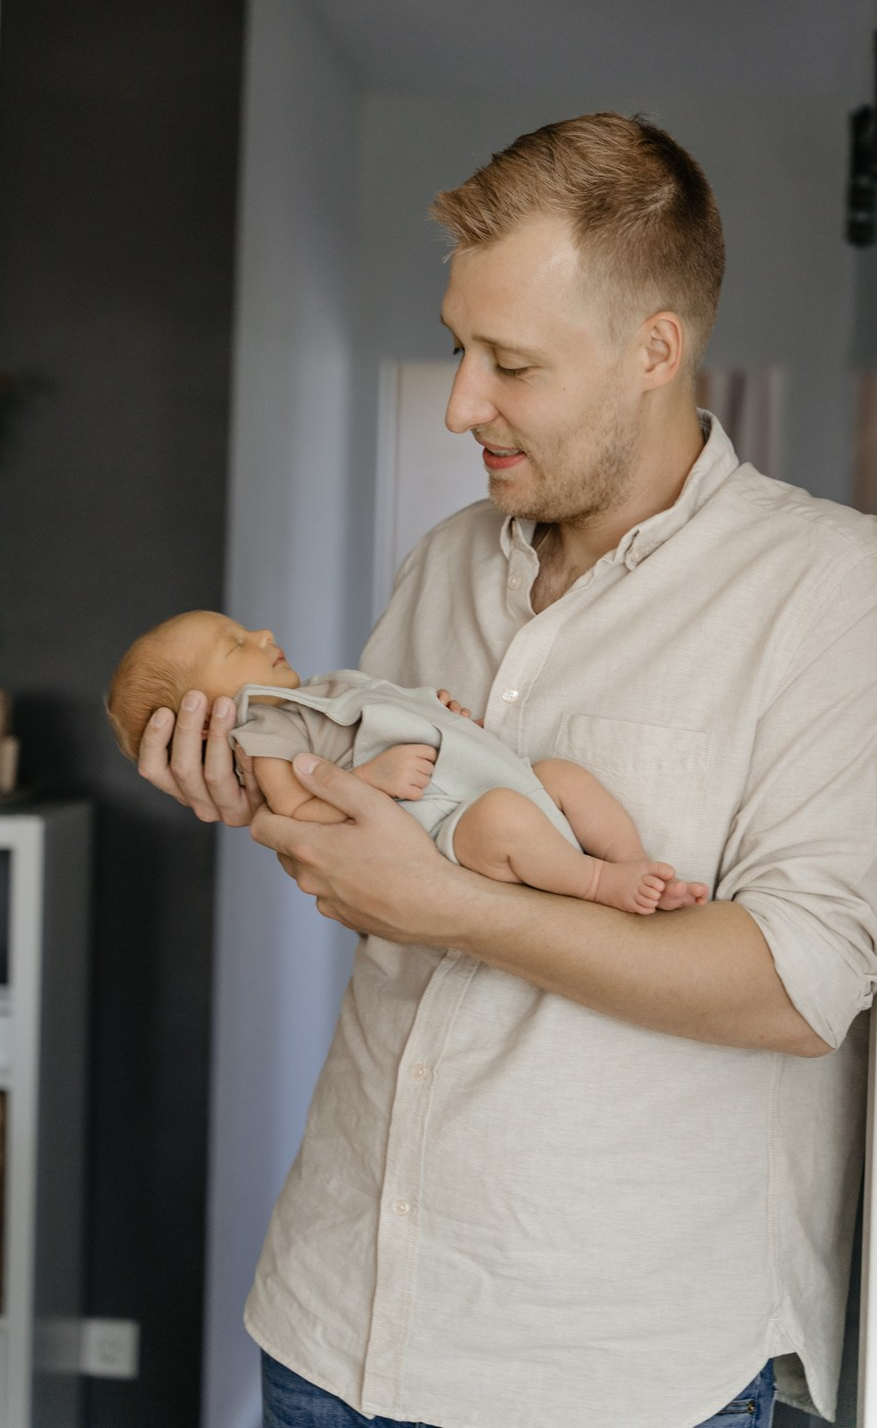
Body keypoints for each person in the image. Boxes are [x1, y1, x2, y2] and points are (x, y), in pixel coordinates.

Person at [137, 113, 877, 1428]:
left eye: (512, 364)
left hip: (609, 1372)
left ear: (656, 350)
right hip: (329, 1317)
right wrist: (264, 794)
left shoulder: (829, 590)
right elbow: (385, 863)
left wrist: (458, 905)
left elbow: (798, 986)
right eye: (457, 347)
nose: (460, 404)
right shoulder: (443, 559)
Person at [106, 608, 708, 913]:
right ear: (205, 715)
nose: (262, 634)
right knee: (504, 817)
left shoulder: (322, 690)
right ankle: (600, 882)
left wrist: (439, 713)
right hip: (450, 821)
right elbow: (297, 811)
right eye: (235, 644)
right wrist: (370, 780)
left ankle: (634, 863)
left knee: (561, 776)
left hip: (486, 775)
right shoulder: (267, 734)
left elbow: (388, 708)